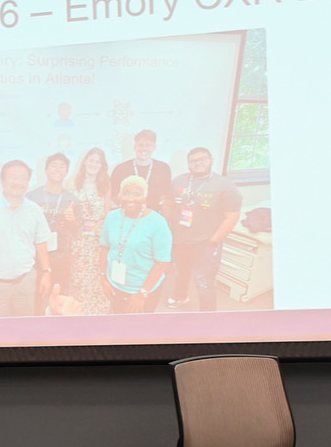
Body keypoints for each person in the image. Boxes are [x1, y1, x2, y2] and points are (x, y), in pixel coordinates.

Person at [167, 147, 243, 312]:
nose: (198, 163)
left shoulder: (225, 185)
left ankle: (207, 316)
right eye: (193, 161)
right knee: (180, 272)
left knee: (204, 280)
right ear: (188, 164)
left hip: (205, 242)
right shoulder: (179, 181)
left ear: (211, 160)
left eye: (202, 159)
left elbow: (231, 217)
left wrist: (213, 241)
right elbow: (171, 206)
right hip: (180, 240)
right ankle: (180, 297)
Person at [0, 160, 52, 317]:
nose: (18, 182)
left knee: (25, 329)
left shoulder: (34, 210)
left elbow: (41, 243)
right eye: (13, 177)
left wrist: (46, 273)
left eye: (23, 178)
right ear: (2, 180)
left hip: (25, 282)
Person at [99, 175, 173, 313]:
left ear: (145, 197)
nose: (130, 199)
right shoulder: (112, 217)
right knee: (117, 325)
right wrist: (103, 277)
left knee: (139, 330)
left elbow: (162, 263)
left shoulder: (157, 223)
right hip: (115, 284)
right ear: (119, 196)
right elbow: (104, 247)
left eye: (137, 194)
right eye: (125, 193)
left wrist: (142, 294)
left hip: (144, 290)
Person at [26, 153, 78, 313]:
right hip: (35, 257)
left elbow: (76, 230)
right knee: (35, 299)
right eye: (54, 165)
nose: (58, 169)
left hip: (61, 258)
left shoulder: (72, 199)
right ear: (46, 169)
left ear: (67, 172)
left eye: (62, 166)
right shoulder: (31, 197)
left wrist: (71, 220)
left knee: (58, 298)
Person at [67, 148, 110, 313]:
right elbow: (69, 213)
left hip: (98, 239)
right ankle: (78, 313)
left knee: (97, 276)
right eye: (91, 160)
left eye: (97, 161)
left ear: (102, 165)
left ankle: (97, 314)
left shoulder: (105, 184)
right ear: (84, 161)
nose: (93, 164)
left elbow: (106, 213)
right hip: (78, 239)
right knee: (78, 276)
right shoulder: (72, 183)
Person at [109, 129, 174, 214]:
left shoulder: (163, 168)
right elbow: (114, 194)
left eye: (148, 145)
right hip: (127, 215)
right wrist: (130, 206)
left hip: (153, 216)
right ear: (134, 147)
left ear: (154, 147)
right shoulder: (120, 169)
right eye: (140, 145)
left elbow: (166, 196)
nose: (144, 148)